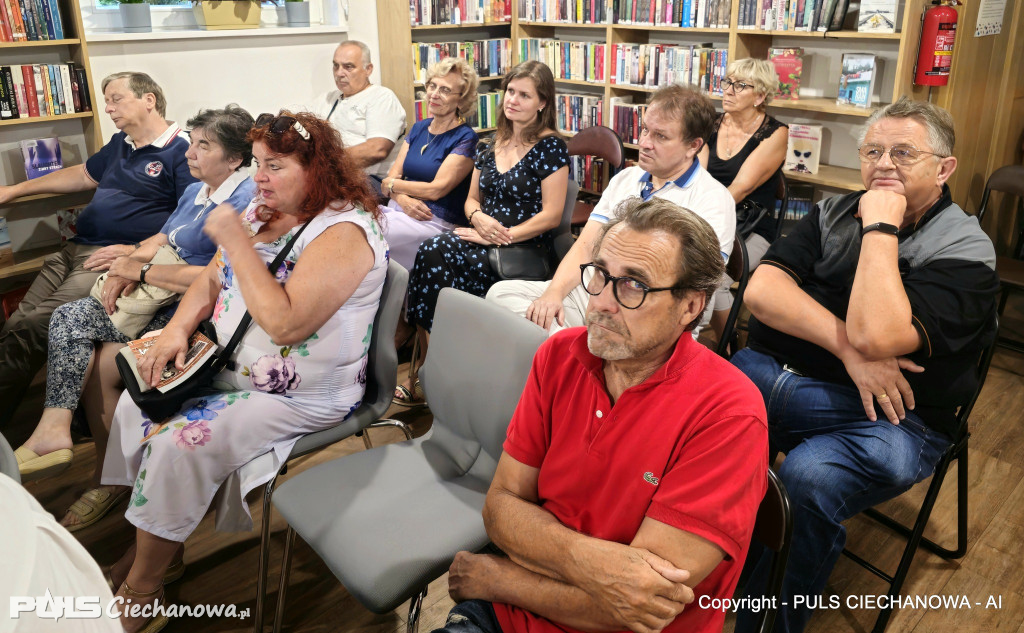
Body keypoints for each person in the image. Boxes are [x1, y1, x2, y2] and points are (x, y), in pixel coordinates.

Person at [100, 111, 388, 633]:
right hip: (231, 364)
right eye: (256, 165)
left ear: (316, 169)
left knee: (180, 441)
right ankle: (159, 549)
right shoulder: (264, 209)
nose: (259, 178)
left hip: (302, 392)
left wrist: (234, 241)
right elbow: (212, 280)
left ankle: (144, 584)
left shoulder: (345, 231)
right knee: (137, 399)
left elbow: (286, 325)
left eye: (274, 166)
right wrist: (176, 330)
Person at [731, 98, 999, 633]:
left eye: (903, 152)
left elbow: (878, 332)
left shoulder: (967, 251)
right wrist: (851, 352)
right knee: (714, 413)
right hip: (789, 377)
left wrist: (881, 228)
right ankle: (725, 581)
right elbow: (762, 293)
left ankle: (760, 623)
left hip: (899, 419)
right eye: (873, 150)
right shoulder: (832, 211)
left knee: (806, 479)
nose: (883, 164)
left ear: (944, 169)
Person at [441, 198, 768, 633]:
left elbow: (641, 608)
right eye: (600, 274)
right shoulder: (559, 355)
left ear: (691, 307)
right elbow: (500, 509)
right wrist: (595, 566)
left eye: (634, 285)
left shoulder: (729, 414)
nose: (600, 304)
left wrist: (500, 578)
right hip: (504, 618)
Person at [14, 106, 257, 534]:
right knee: (73, 322)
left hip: (197, 307)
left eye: (204, 145)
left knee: (94, 345)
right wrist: (128, 258)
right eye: (193, 141)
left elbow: (214, 278)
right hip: (160, 291)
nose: (191, 152)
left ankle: (79, 447)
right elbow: (165, 237)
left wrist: (139, 271)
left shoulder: (242, 198)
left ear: (236, 158)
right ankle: (103, 470)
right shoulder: (199, 190)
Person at [0, 71, 195, 428]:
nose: (107, 108)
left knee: (32, 324)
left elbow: (189, 218)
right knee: (16, 322)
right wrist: (14, 191)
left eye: (115, 99)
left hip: (107, 257)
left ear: (148, 99)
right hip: (74, 249)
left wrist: (134, 250)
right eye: (106, 101)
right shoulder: (122, 143)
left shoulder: (183, 150)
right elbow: (82, 175)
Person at [486, 84, 735, 337]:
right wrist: (554, 294)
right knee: (499, 295)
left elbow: (687, 287)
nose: (645, 143)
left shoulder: (713, 201)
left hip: (647, 311)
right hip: (594, 293)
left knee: (540, 333)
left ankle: (567, 348)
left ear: (693, 146)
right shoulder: (626, 178)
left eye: (661, 136)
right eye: (646, 130)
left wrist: (612, 289)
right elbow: (586, 245)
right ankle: (572, 348)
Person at [398, 60, 569, 405]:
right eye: (510, 91)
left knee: (436, 254)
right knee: (432, 253)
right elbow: (472, 199)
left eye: (524, 95)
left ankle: (438, 373)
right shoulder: (489, 143)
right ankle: (440, 371)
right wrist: (477, 218)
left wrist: (502, 234)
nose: (513, 100)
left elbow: (551, 216)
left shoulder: (552, 147)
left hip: (523, 247)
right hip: (483, 237)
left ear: (543, 103)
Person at [696, 58, 788, 339]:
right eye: (727, 82)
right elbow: (696, 177)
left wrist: (698, 221)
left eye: (740, 85)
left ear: (760, 96)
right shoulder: (710, 123)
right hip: (706, 217)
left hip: (750, 226)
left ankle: (728, 346)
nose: (728, 90)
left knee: (715, 280)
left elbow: (739, 189)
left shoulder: (775, 133)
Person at [379, 57, 480, 271]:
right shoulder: (419, 128)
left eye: (444, 90)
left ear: (461, 100)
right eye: (432, 86)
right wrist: (402, 198)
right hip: (400, 210)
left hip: (433, 221)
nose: (434, 94)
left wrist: (394, 187)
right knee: (349, 219)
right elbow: (388, 180)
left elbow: (436, 190)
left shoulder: (466, 138)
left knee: (368, 232)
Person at [309, 40, 407, 191]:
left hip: (369, 181)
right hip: (330, 175)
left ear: (368, 69)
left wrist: (325, 164)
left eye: (348, 67)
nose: (339, 73)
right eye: (336, 65)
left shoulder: (381, 97)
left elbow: (377, 149)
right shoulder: (327, 99)